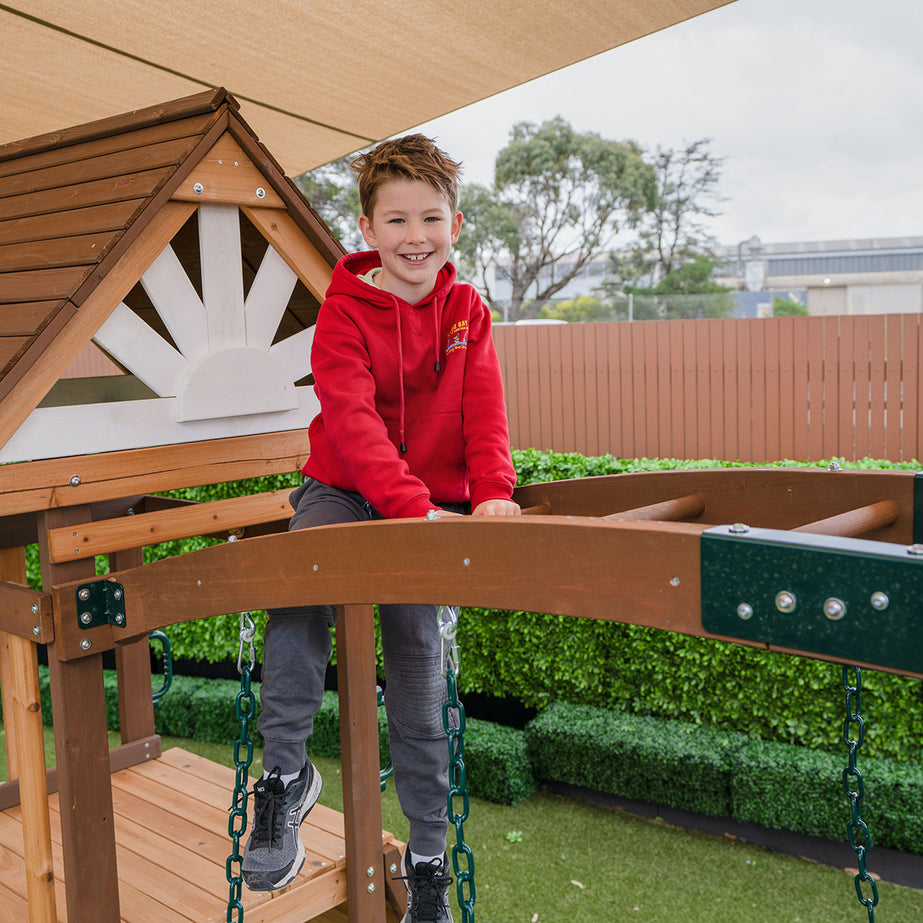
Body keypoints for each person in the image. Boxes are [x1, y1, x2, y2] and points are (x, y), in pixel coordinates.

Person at [242, 134, 521, 922]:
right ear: (366, 230)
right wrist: (412, 511)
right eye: (395, 219)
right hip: (344, 492)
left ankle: (427, 850)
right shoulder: (341, 314)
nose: (413, 236)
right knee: (299, 596)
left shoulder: (466, 311)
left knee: (415, 661)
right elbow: (356, 427)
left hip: (427, 504)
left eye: (429, 218)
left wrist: (493, 491)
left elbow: (483, 413)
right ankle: (284, 778)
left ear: (455, 225)